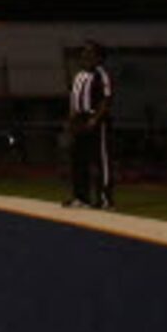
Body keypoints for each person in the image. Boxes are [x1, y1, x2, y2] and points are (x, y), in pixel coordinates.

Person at [65, 41, 115, 210]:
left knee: (101, 159)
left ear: (99, 57)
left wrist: (95, 119)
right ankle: (81, 197)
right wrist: (71, 119)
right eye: (85, 52)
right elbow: (74, 98)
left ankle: (105, 199)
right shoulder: (79, 75)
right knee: (78, 159)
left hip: (94, 117)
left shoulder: (102, 74)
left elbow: (106, 99)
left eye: (90, 52)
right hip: (79, 119)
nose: (86, 55)